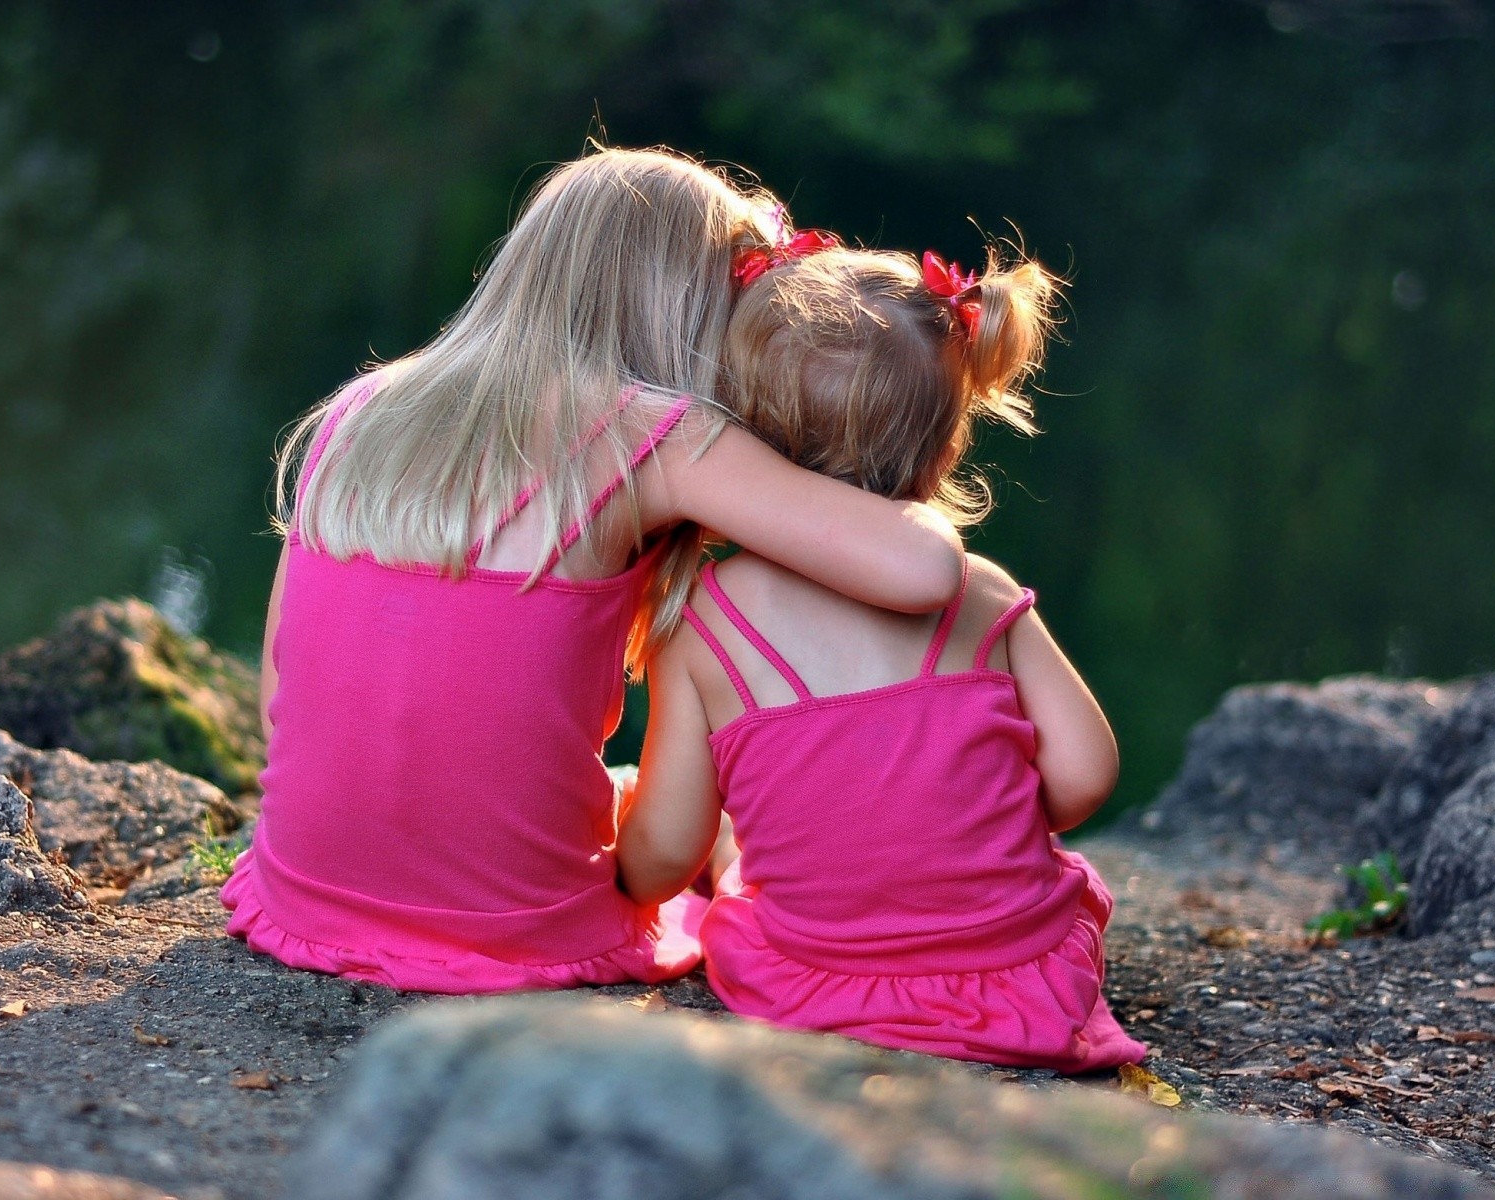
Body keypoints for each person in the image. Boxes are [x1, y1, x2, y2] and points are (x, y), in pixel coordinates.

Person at [219, 148, 966, 994]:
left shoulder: (362, 409)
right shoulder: (654, 432)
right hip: (519, 930)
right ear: (689, 306)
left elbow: (279, 688)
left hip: (306, 899)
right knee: (694, 821)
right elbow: (924, 572)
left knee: (620, 791)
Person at [617, 239, 1146, 1070]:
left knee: (735, 864)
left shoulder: (706, 625)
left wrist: (614, 870)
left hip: (815, 985)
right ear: (943, 442)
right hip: (1021, 981)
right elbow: (1084, 776)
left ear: (746, 436)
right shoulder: (981, 592)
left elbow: (663, 854)